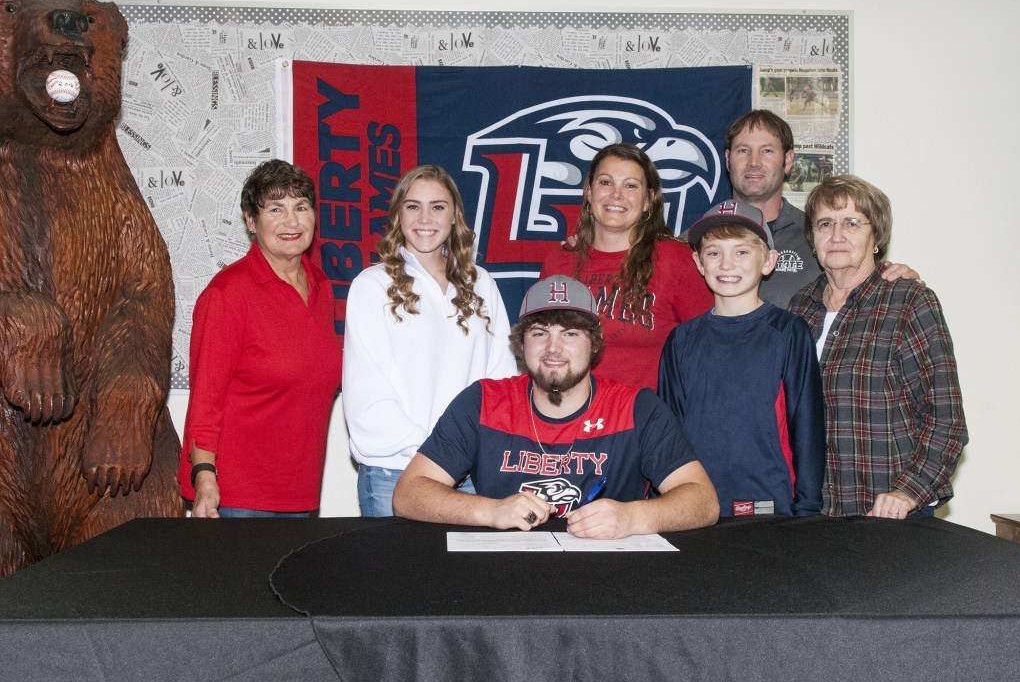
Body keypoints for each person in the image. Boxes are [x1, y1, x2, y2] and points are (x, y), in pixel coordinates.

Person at [392, 275, 720, 539]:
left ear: (594, 344)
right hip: (505, 580)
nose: (553, 348)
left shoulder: (636, 408)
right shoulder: (483, 402)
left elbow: (703, 502)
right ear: (521, 344)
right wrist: (489, 511)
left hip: (611, 582)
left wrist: (633, 517)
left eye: (570, 333)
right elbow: (408, 494)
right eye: (539, 333)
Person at [789, 175, 967, 519]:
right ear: (812, 238)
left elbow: (946, 418)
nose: (837, 235)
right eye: (825, 223)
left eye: (852, 223)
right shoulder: (800, 307)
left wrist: (908, 491)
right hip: (814, 513)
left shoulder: (908, 301)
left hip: (889, 513)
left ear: (876, 236)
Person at [343, 165, 517, 517]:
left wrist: (472, 453)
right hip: (393, 472)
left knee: (462, 576)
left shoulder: (481, 283)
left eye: (438, 206)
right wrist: (438, 455)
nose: (425, 218)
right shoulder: (372, 285)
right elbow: (367, 393)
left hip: (469, 476)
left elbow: (501, 381)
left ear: (455, 216)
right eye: (413, 206)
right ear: (398, 215)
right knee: (396, 574)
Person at [177, 160, 341, 518]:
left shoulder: (322, 287)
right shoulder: (227, 294)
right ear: (251, 221)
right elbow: (206, 400)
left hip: (302, 495)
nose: (292, 221)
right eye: (275, 209)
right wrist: (205, 478)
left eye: (301, 207)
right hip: (238, 500)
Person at [659, 200, 825, 517]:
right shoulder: (681, 340)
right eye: (714, 252)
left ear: (768, 261)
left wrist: (808, 506)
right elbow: (669, 433)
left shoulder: (788, 332)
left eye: (742, 252)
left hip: (771, 503)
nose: (727, 263)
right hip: (696, 505)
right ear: (698, 262)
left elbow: (807, 425)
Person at [541, 143, 712, 391]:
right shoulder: (559, 261)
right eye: (606, 182)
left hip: (645, 422)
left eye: (630, 185)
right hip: (571, 420)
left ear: (648, 201)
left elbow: (710, 349)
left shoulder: (676, 259)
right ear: (589, 192)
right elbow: (542, 351)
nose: (616, 195)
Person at [724, 109, 917, 308]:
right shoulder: (699, 239)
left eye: (767, 151)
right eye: (743, 151)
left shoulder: (822, 237)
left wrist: (898, 282)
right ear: (728, 159)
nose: (754, 162)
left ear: (788, 160)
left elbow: (867, 286)